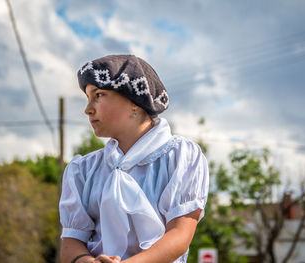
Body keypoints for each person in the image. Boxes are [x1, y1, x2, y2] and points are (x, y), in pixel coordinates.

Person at [59, 54, 209, 263]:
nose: (88, 109)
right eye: (87, 98)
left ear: (134, 102)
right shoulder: (83, 169)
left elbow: (179, 235)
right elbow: (70, 244)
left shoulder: (180, 157)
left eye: (98, 95)